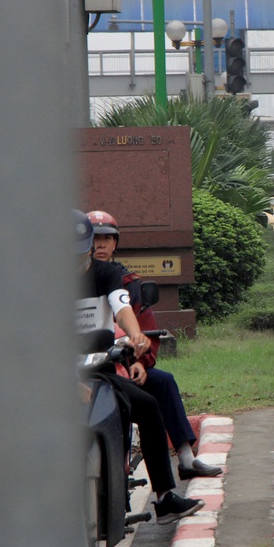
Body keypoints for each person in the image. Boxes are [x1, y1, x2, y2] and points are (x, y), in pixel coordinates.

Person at [73, 210, 204, 525]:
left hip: (99, 368)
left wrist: (135, 335)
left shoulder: (108, 274)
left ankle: (165, 497)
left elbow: (121, 307)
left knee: (147, 406)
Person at [87, 210, 222, 479]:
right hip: (83, 366)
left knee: (163, 383)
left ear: (115, 243)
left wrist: (138, 361)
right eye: (94, 239)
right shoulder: (65, 281)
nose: (100, 245)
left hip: (123, 365)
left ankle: (185, 460)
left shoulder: (126, 282)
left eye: (107, 239)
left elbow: (143, 328)